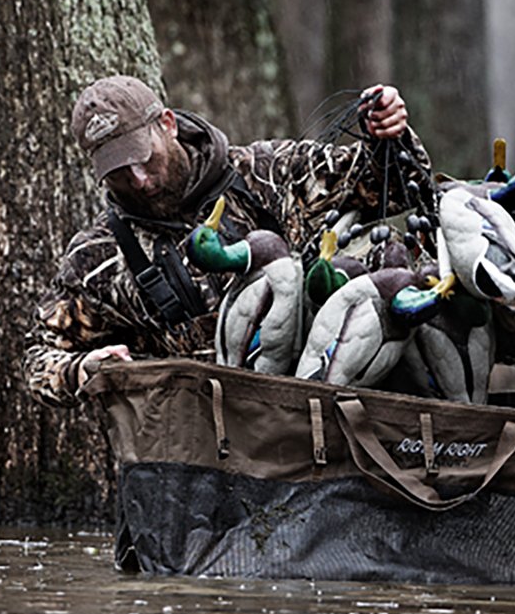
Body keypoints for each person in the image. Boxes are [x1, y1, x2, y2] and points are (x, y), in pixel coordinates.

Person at [23, 75, 430, 407]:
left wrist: (387, 132)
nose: (140, 181)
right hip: (211, 456)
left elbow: (397, 189)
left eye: (143, 157)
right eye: (119, 171)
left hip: (330, 413)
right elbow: (38, 357)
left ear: (167, 123)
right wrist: (81, 369)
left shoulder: (267, 173)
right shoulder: (99, 256)